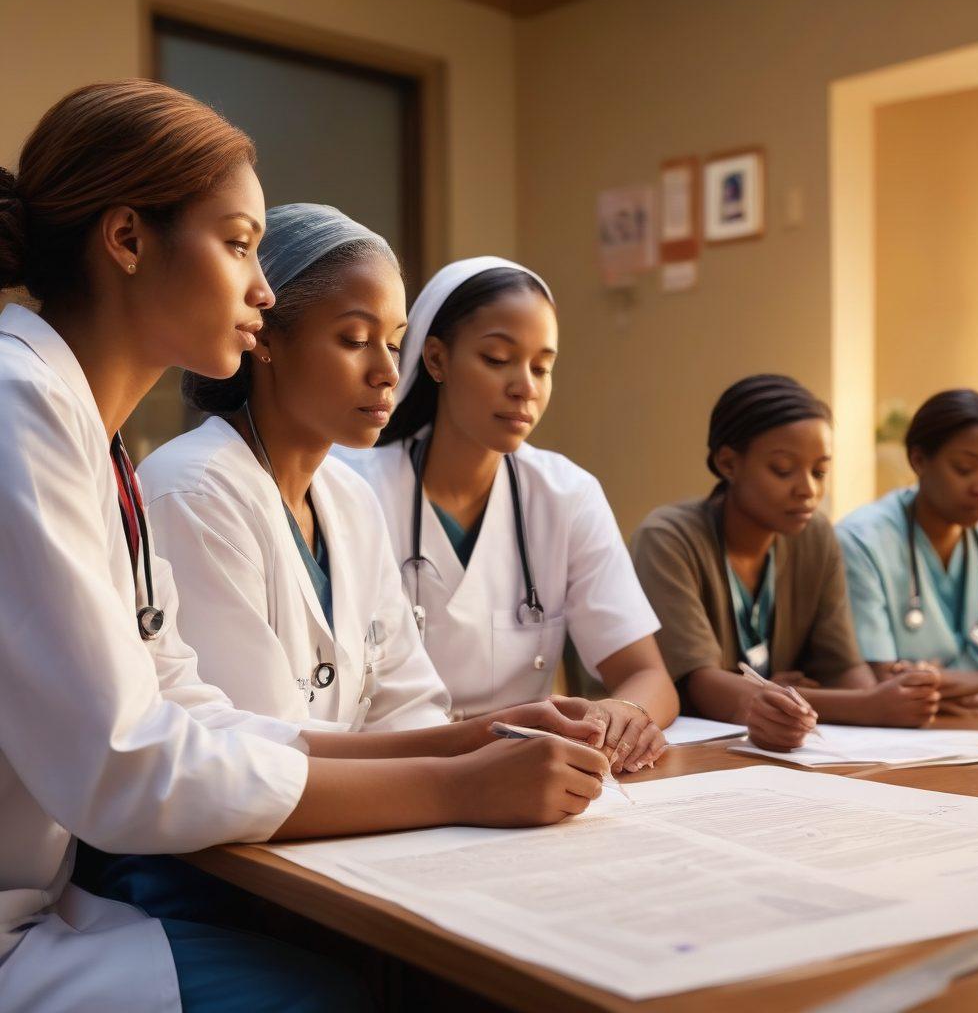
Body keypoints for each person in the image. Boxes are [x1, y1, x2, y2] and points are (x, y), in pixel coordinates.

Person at [0, 80, 607, 1013]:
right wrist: (456, 787)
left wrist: (470, 740)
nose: (263, 288)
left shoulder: (94, 440)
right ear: (126, 239)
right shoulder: (24, 404)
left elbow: (183, 704)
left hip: (48, 903)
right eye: (239, 245)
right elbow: (131, 764)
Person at [338, 257, 679, 773]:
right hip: (397, 773)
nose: (526, 387)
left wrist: (622, 712)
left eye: (542, 367)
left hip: (529, 775)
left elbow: (648, 676)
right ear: (436, 359)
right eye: (498, 359)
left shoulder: (566, 494)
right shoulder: (354, 485)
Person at [138, 203, 450, 732]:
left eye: (395, 343)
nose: (388, 372)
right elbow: (256, 745)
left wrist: (490, 747)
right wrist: (464, 770)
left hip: (371, 806)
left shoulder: (351, 499)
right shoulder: (194, 494)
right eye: (355, 339)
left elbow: (409, 705)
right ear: (264, 339)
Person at [630, 374, 943, 752]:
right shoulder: (670, 538)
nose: (808, 489)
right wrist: (868, 705)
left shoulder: (815, 537)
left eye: (820, 472)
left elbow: (844, 670)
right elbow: (705, 686)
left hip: (782, 751)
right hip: (681, 752)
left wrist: (887, 696)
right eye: (782, 469)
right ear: (728, 463)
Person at [837, 389, 978, 704]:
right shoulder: (860, 541)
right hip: (901, 737)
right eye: (965, 468)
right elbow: (880, 679)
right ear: (919, 460)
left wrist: (962, 683)